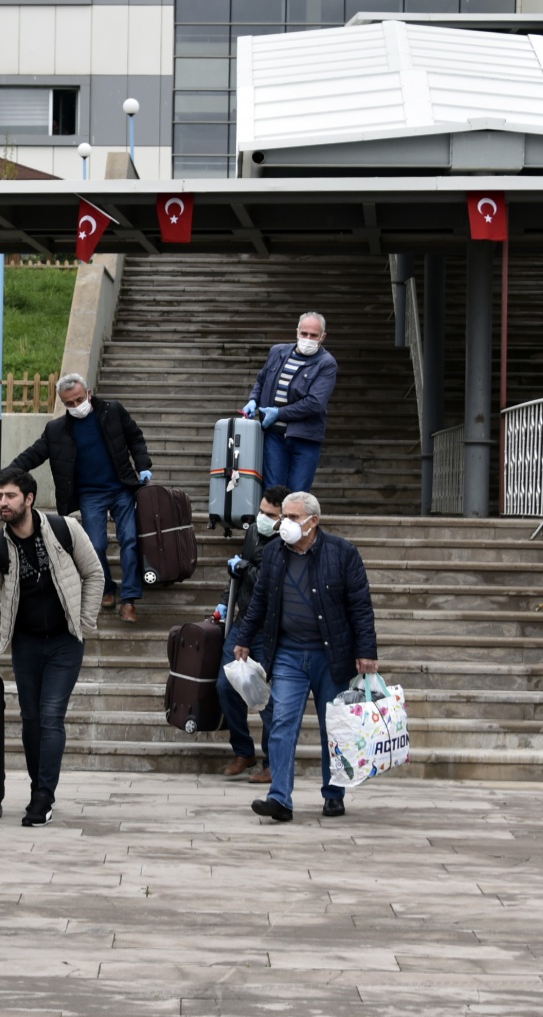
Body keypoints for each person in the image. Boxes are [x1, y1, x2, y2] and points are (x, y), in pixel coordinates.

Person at [0, 467, 105, 827]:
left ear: (29, 498)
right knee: (31, 719)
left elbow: (94, 573)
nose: (2, 503)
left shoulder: (65, 530)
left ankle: (43, 798)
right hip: (27, 644)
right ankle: (40, 788)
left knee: (50, 716)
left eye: (10, 496)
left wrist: (83, 623)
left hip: (65, 643)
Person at [231, 491, 377, 823]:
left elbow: (360, 606)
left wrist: (366, 651)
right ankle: (279, 798)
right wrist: (244, 638)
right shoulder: (274, 553)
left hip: (332, 654)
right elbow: (260, 600)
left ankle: (333, 794)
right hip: (288, 654)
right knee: (282, 721)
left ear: (313, 521)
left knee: (334, 727)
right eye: (284, 516)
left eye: (293, 517)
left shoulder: (342, 552)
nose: (286, 523)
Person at [8, 374, 153, 624]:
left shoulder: (112, 411)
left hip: (121, 488)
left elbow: (135, 437)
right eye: (69, 403)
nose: (76, 406)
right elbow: (33, 454)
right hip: (90, 495)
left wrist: (143, 466)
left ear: (89, 393)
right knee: (95, 546)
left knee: (130, 540)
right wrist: (7, 475)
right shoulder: (57, 430)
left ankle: (129, 599)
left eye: (79, 399)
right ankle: (107, 588)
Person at [214, 485, 288, 782]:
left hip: (271, 628)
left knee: (269, 700)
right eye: (261, 511)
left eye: (270, 514)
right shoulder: (254, 531)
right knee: (225, 685)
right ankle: (243, 750)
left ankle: (272, 762)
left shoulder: (288, 542)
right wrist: (224, 600)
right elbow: (239, 575)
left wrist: (244, 567)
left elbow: (271, 584)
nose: (263, 518)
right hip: (244, 621)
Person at [241, 312, 337, 493]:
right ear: (297, 332)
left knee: (298, 494)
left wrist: (279, 413)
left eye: (313, 335)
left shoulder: (326, 363)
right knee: (272, 492)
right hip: (274, 437)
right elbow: (261, 380)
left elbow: (315, 402)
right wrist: (253, 400)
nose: (308, 339)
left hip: (305, 438)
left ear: (323, 337)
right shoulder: (277, 352)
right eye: (304, 333)